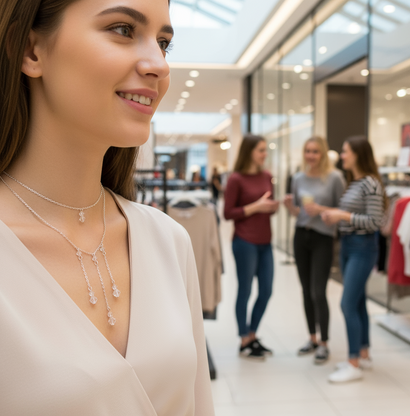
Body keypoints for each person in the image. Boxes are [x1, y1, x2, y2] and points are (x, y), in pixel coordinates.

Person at [0, 1, 215, 415]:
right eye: (122, 29)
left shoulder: (168, 240)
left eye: (164, 43)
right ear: (31, 51)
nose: (159, 64)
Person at [321, 136, 385, 383]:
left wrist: (342, 215)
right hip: (348, 245)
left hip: (362, 247)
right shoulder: (354, 182)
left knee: (347, 304)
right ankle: (364, 354)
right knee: (357, 303)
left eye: (346, 151)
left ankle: (353, 362)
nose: (342, 155)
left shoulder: (370, 183)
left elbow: (374, 221)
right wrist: (337, 217)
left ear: (358, 154)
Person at [284, 136, 345, 364]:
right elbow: (297, 213)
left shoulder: (334, 178)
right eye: (308, 151)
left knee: (318, 291)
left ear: (323, 153)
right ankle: (312, 337)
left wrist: (320, 209)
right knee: (305, 290)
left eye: (315, 151)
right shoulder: (298, 178)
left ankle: (325, 342)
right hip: (301, 236)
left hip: (323, 237)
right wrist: (291, 207)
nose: (311, 155)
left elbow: (343, 210)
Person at [224, 134, 279, 360]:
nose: (265, 154)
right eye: (261, 150)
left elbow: (269, 207)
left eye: (266, 150)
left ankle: (252, 334)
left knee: (266, 291)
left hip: (265, 241)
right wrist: (256, 207)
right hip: (244, 241)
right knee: (245, 291)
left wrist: (273, 207)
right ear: (249, 152)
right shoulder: (235, 179)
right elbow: (228, 213)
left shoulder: (267, 175)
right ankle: (244, 338)